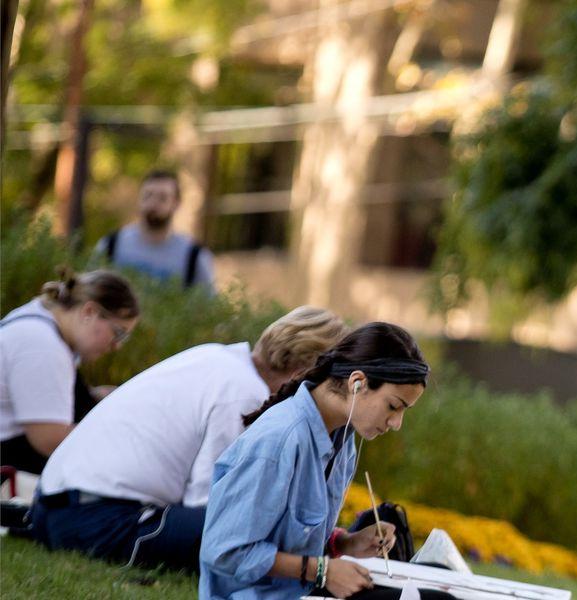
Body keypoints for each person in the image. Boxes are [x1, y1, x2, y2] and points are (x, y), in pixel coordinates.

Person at [30, 306, 348, 571]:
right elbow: (212, 507)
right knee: (245, 537)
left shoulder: (220, 358)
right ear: (302, 373)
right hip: (94, 520)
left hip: (53, 507)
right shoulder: (243, 395)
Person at [200, 322, 451, 599]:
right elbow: (224, 551)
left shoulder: (342, 439)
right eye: (393, 406)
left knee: (438, 575)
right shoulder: (279, 440)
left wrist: (345, 543)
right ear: (357, 383)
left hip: (304, 589)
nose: (396, 423)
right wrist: (322, 571)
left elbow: (295, 539)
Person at [0, 270, 139, 475]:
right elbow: (49, 440)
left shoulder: (40, 322)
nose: (117, 346)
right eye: (118, 333)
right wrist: (123, 438)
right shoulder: (42, 345)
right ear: (89, 312)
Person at [95, 169, 215, 291]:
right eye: (147, 195)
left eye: (162, 198)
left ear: (176, 203)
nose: (153, 203)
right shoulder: (111, 244)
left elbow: (207, 306)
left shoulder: (194, 256)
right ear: (138, 199)